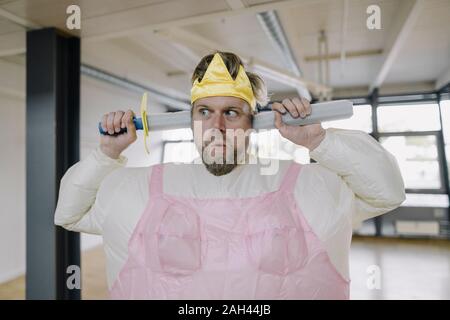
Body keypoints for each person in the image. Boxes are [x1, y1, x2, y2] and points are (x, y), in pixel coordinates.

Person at [54, 51, 405, 299]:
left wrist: (319, 141)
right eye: (204, 111)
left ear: (254, 121)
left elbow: (387, 191)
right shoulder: (139, 189)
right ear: (191, 121)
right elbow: (69, 212)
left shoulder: (306, 187)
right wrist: (106, 155)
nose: (217, 127)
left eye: (232, 113)